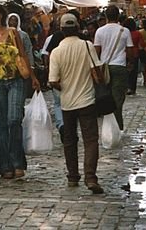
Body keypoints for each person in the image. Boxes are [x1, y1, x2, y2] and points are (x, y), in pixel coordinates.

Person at [0, 2, 40, 179]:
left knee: (14, 119)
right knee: (1, 125)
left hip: (16, 81)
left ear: (2, 15)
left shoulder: (13, 33)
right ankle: (5, 166)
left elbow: (23, 55)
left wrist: (33, 77)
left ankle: (18, 162)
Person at [48, 13, 104, 194]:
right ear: (78, 28)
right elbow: (97, 72)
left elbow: (53, 81)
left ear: (61, 30)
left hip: (67, 103)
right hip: (87, 100)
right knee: (90, 140)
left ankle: (73, 175)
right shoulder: (87, 46)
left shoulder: (56, 52)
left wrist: (65, 86)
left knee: (69, 141)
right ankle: (90, 177)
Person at [94, 5, 135, 131]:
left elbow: (96, 51)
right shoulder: (124, 31)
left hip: (104, 68)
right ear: (118, 16)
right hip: (119, 66)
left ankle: (107, 126)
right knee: (118, 98)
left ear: (106, 16)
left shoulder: (100, 31)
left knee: (105, 96)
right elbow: (129, 50)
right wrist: (130, 63)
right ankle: (117, 126)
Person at [7, 13, 34, 97]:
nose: (13, 22)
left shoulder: (23, 35)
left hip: (21, 64)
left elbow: (28, 50)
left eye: (15, 20)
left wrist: (31, 65)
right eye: (11, 20)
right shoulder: (3, 34)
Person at [124, 17, 146, 95]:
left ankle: (127, 87)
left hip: (124, 53)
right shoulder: (137, 33)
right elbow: (142, 44)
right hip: (134, 54)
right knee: (133, 72)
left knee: (126, 72)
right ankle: (132, 88)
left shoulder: (124, 33)